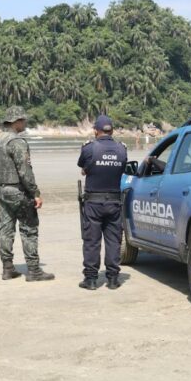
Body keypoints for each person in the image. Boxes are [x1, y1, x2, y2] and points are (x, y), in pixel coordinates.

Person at [0, 106, 55, 282]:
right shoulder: (16, 142)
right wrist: (35, 193)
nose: (25, 123)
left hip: (2, 189)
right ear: (16, 122)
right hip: (18, 191)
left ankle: (7, 268)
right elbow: (25, 171)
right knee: (29, 229)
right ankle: (34, 271)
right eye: (23, 120)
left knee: (5, 228)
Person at [77, 114, 128, 290]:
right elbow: (121, 168)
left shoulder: (89, 148)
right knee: (114, 241)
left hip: (94, 202)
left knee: (92, 241)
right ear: (111, 130)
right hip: (114, 202)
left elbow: (84, 168)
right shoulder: (122, 149)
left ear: (96, 131)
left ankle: (91, 279)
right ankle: (113, 279)